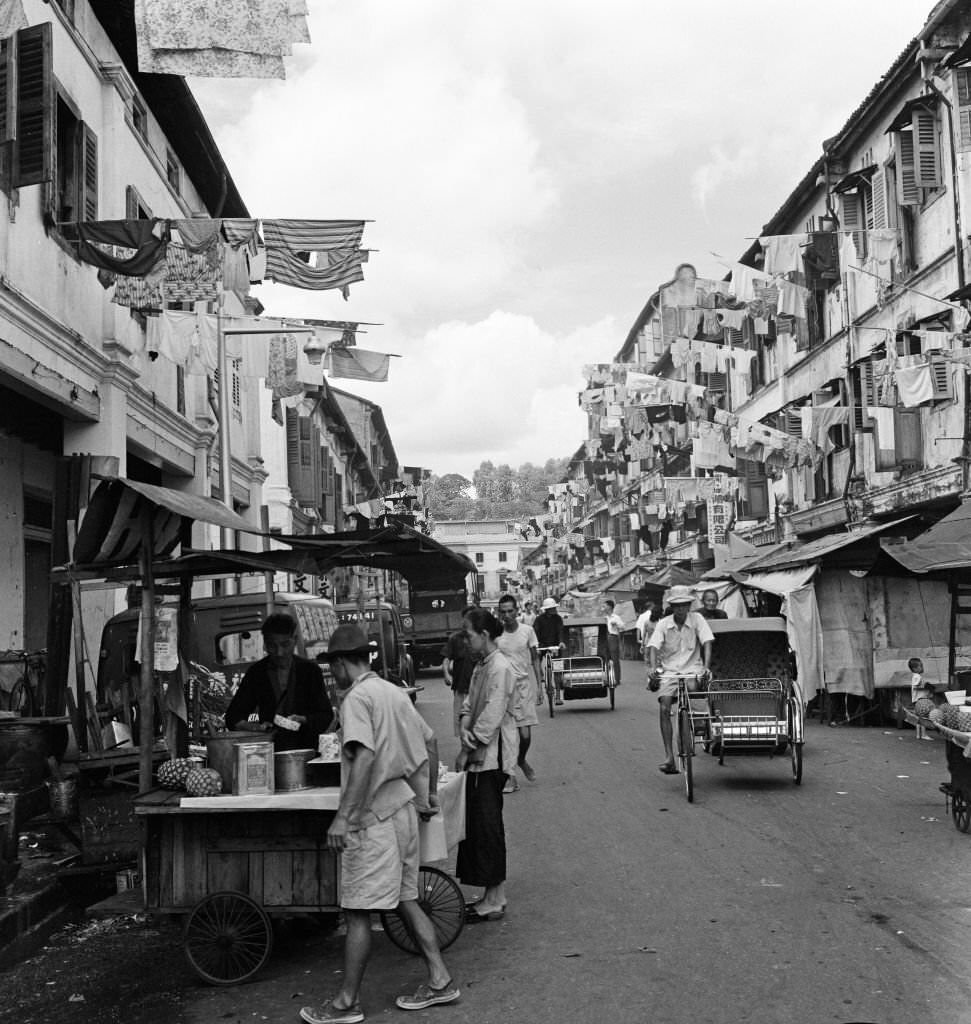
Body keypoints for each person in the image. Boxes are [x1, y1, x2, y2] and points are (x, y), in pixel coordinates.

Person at [300, 624, 458, 1024]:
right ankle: (440, 979)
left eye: (332, 666)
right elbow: (430, 741)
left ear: (341, 663)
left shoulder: (356, 699)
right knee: (405, 899)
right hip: (402, 809)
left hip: (374, 820)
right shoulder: (393, 692)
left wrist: (343, 818)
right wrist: (427, 796)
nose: (332, 674)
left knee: (357, 910)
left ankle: (346, 1003)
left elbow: (365, 756)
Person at [457, 606, 517, 922]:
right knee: (480, 828)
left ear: (483, 634)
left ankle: (496, 898)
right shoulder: (481, 666)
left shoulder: (500, 667)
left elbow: (492, 716)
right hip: (479, 754)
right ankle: (491, 895)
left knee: (489, 828)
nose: (465, 641)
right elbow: (468, 704)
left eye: (468, 635)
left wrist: (469, 745)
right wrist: (464, 727)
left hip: (492, 758)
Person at [224, 612, 334, 752]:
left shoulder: (310, 671)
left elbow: (326, 715)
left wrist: (304, 720)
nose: (279, 652)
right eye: (272, 646)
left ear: (294, 640)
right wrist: (256, 728)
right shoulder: (257, 673)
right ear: (265, 644)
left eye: (285, 644)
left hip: (307, 750)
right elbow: (233, 717)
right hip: (270, 751)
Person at [645, 585, 714, 775]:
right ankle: (669, 757)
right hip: (670, 671)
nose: (681, 608)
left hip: (693, 669)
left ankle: (697, 724)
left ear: (689, 605)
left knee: (693, 688)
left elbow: (707, 641)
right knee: (664, 706)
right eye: (677, 605)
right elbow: (653, 647)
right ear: (672, 607)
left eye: (684, 605)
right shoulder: (663, 624)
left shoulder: (697, 619)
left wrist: (706, 667)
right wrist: (653, 668)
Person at [496, 594, 541, 791]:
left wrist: (540, 687)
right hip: (504, 688)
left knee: (525, 736)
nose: (507, 615)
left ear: (516, 611)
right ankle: (510, 777)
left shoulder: (527, 631)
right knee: (508, 736)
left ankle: (521, 760)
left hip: (523, 687)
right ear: (499, 613)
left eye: (510, 611)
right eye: (503, 612)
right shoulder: (497, 634)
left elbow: (535, 659)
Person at [441, 622, 475, 737]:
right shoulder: (455, 639)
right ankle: (464, 742)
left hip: (477, 689)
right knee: (460, 720)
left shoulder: (480, 638)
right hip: (460, 688)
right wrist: (446, 674)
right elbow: (446, 659)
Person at [533, 596, 566, 705]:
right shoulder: (539, 619)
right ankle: (540, 685)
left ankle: (558, 695)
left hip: (555, 645)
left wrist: (561, 642)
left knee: (557, 669)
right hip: (542, 645)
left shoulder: (558, 619)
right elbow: (535, 632)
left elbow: (561, 631)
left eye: (554, 607)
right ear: (547, 609)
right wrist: (536, 646)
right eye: (552, 608)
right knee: (535, 661)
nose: (555, 609)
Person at [909, 656, 936, 741]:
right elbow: (917, 687)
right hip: (920, 700)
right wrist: (928, 688)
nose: (922, 667)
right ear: (915, 668)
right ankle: (923, 735)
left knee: (919, 718)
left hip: (916, 700)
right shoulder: (917, 676)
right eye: (921, 666)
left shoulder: (915, 676)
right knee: (924, 717)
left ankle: (918, 735)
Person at [603, 599, 625, 687]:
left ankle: (617, 679)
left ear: (609, 607)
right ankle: (608, 679)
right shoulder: (603, 617)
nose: (603, 608)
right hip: (604, 638)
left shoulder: (616, 617)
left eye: (604, 606)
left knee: (615, 659)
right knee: (606, 659)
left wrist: (616, 624)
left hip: (613, 637)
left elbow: (623, 627)